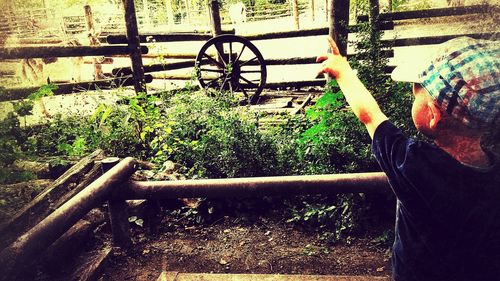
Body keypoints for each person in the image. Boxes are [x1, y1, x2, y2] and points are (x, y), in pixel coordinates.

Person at [317, 36, 500, 281]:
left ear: (433, 116)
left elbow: (370, 116)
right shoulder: (494, 172)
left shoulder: (413, 164)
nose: (413, 98)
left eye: (416, 95)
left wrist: (342, 71)